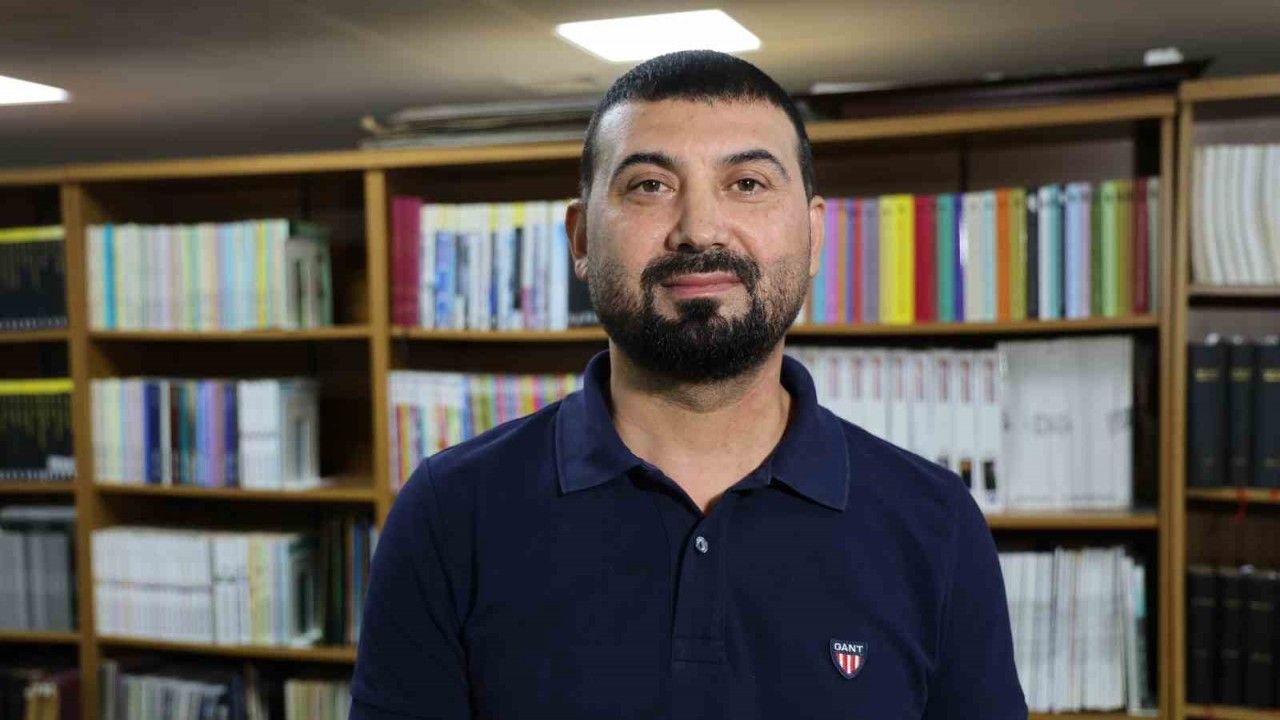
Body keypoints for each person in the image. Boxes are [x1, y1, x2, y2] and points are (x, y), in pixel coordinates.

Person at [350, 49, 1026, 719]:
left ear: (815, 235)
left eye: (747, 184)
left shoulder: (936, 524)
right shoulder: (448, 514)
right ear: (580, 240)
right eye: (650, 185)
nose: (699, 230)